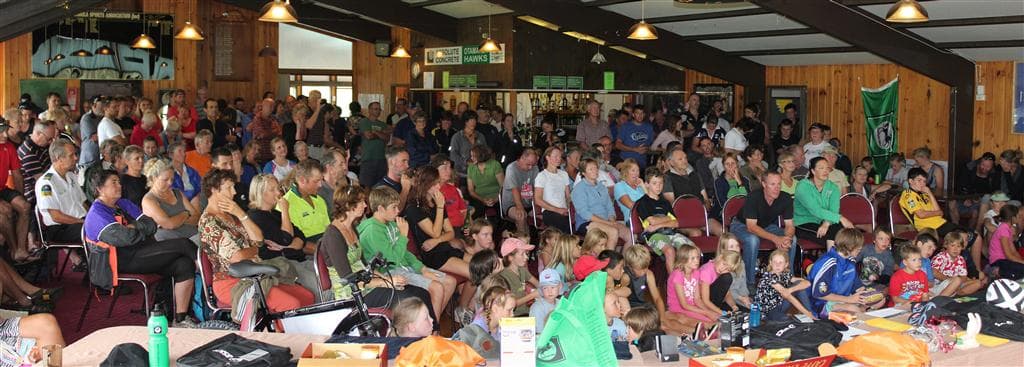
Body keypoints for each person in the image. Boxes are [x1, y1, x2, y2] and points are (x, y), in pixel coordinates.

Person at [84, 169, 197, 326]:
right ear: (99, 189)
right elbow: (127, 238)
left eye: (119, 182)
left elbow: (151, 224)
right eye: (114, 183)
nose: (119, 185)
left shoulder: (122, 203)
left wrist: (133, 228)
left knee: (184, 264)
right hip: (118, 262)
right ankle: (209, 284)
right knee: (184, 244)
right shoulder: (98, 214)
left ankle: (180, 319)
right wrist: (136, 229)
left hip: (139, 251)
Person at [200, 169, 315, 314]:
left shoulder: (233, 215)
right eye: (229, 187)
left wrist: (241, 214)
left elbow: (259, 239)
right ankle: (278, 336)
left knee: (307, 297)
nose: (234, 192)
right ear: (214, 191)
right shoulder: (209, 222)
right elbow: (237, 257)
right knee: (291, 303)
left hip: (257, 274)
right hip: (231, 281)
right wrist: (255, 249)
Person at [323, 184, 436, 323]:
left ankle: (432, 334)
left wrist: (383, 278)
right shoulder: (333, 235)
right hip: (353, 295)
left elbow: (364, 265)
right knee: (410, 302)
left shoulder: (351, 227)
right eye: (361, 202)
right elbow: (349, 280)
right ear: (348, 206)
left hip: (366, 286)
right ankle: (415, 339)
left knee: (421, 293)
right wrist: (385, 282)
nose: (365, 205)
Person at [359, 186, 455, 320]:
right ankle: (432, 329)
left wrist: (422, 268)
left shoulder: (391, 224)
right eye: (394, 207)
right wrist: (403, 235)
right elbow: (392, 260)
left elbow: (406, 253)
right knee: (437, 287)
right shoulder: (372, 230)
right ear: (380, 209)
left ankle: (430, 323)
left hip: (405, 267)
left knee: (450, 282)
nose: (398, 211)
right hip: (390, 272)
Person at [899, 167, 986, 275]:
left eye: (924, 181)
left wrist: (930, 193)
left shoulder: (925, 194)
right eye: (919, 180)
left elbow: (940, 211)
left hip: (941, 223)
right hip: (930, 228)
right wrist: (937, 213)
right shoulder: (908, 195)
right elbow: (921, 215)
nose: (923, 184)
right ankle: (966, 272)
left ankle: (977, 270)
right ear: (911, 181)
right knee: (964, 238)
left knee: (976, 236)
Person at [730, 171, 797, 284]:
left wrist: (786, 238)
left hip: (766, 226)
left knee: (793, 240)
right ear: (764, 184)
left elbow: (790, 225)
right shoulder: (753, 196)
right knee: (752, 240)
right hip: (741, 225)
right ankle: (749, 282)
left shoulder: (785, 198)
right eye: (772, 184)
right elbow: (751, 227)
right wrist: (775, 239)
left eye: (779, 184)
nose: (777, 188)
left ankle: (786, 277)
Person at [405, 166, 470, 277]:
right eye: (434, 184)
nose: (438, 187)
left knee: (481, 265)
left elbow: (451, 233)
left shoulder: (437, 203)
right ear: (425, 185)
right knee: (474, 272)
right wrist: (440, 207)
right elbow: (434, 232)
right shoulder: (414, 208)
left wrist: (437, 240)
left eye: (438, 183)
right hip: (432, 255)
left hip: (444, 247)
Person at [35, 139, 88, 271]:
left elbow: (83, 203)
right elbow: (56, 216)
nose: (76, 158)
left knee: (106, 225)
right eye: (71, 155)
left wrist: (92, 218)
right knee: (96, 231)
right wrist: (82, 222)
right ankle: (96, 279)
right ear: (59, 159)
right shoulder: (46, 183)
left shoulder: (71, 176)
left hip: (77, 222)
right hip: (60, 228)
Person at [806, 229, 883, 318]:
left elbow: (857, 286)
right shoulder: (828, 263)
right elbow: (820, 295)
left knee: (880, 300)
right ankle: (861, 313)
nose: (861, 248)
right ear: (849, 246)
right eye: (858, 246)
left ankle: (861, 312)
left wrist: (868, 294)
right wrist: (849, 299)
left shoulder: (851, 260)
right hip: (821, 304)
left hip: (845, 299)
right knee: (853, 309)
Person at [635, 168, 695, 272]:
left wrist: (657, 225)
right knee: (670, 250)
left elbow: (676, 223)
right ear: (647, 184)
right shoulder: (642, 203)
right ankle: (673, 283)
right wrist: (667, 219)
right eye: (654, 183)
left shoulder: (665, 202)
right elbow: (652, 221)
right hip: (654, 236)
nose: (658, 186)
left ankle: (688, 280)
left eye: (661, 183)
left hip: (670, 233)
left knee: (692, 250)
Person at [794, 157, 854, 249]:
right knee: (838, 237)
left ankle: (834, 259)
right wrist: (841, 218)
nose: (825, 171)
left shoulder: (833, 187)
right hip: (804, 223)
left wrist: (826, 223)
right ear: (813, 171)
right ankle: (832, 260)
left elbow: (834, 210)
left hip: (824, 221)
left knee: (844, 232)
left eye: (827, 168)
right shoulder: (802, 186)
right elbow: (815, 210)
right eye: (821, 168)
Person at [572, 158, 628, 251]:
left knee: (630, 235)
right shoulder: (579, 189)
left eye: (596, 168)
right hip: (587, 223)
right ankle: (608, 264)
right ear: (583, 173)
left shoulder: (602, 187)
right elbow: (585, 214)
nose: (595, 171)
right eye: (591, 169)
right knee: (613, 232)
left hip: (607, 221)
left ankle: (622, 263)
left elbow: (609, 206)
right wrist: (608, 223)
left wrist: (612, 219)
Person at [141, 159, 200, 244]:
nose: (170, 183)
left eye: (172, 179)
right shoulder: (148, 200)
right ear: (153, 178)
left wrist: (177, 221)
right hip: (174, 244)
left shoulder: (177, 192)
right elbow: (169, 224)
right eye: (165, 179)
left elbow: (197, 217)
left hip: (194, 235)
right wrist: (186, 213)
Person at [663, 244, 717, 336]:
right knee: (708, 322)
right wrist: (706, 313)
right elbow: (684, 305)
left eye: (697, 257)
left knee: (714, 318)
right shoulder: (677, 275)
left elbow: (697, 299)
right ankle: (702, 333)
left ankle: (704, 332)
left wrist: (709, 312)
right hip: (678, 307)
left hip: (692, 306)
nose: (697, 261)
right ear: (683, 260)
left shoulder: (696, 272)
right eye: (692, 258)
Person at [0, 120, 33, 263]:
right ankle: (14, 251)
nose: (5, 135)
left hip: (3, 189)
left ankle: (21, 249)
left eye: (6, 130)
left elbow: (17, 174)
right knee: (6, 210)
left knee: (25, 206)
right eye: (1, 131)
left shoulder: (8, 147)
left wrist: (20, 195)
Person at [281, 160, 331, 254]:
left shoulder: (319, 200)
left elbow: (328, 229)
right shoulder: (286, 203)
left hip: (326, 246)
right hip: (308, 254)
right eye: (316, 181)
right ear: (302, 180)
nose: (320, 185)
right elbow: (295, 242)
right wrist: (326, 252)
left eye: (321, 180)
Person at [756, 249, 815, 321]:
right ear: (770, 263)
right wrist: (806, 313)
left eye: (780, 262)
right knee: (786, 320)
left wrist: (790, 290)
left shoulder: (784, 275)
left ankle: (811, 314)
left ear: (786, 264)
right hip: (768, 310)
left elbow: (807, 283)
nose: (777, 265)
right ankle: (809, 314)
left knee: (798, 285)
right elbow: (788, 296)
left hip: (779, 305)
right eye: (775, 262)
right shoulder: (768, 276)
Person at [501, 149, 539, 234]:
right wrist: (520, 207)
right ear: (521, 159)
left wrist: (536, 205)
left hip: (529, 202)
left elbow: (536, 188)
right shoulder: (511, 169)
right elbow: (515, 190)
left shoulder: (535, 168)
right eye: (528, 164)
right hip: (512, 203)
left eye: (533, 164)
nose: (530, 167)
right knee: (521, 216)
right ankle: (522, 241)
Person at [535, 146, 572, 233]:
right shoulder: (542, 176)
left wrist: (569, 208)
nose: (558, 159)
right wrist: (557, 210)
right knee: (563, 224)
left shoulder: (564, 174)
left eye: (560, 156)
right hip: (549, 211)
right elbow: (538, 200)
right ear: (548, 157)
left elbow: (568, 196)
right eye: (555, 156)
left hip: (563, 210)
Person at [498, 237, 538, 316]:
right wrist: (532, 295)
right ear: (510, 257)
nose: (526, 257)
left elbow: (538, 284)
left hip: (527, 311)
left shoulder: (522, 270)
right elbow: (511, 304)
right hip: (515, 316)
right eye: (522, 254)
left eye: (526, 254)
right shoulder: (503, 277)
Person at [18, 121, 55, 205]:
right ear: (38, 134)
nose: (51, 142)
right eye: (49, 139)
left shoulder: (39, 145)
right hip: (34, 192)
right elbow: (42, 180)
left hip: (46, 182)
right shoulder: (29, 153)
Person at [623, 245, 666, 316]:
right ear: (630, 267)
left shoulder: (648, 274)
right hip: (629, 309)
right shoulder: (625, 277)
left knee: (663, 319)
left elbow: (657, 298)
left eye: (646, 267)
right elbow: (620, 300)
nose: (644, 272)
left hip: (642, 306)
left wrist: (663, 317)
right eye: (640, 269)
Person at [358, 102, 392, 187]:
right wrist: (381, 134)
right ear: (370, 110)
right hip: (368, 158)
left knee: (380, 185)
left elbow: (387, 139)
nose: (378, 111)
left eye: (379, 109)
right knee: (366, 186)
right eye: (375, 109)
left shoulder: (382, 124)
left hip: (381, 158)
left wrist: (375, 132)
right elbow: (368, 136)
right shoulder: (364, 122)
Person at [431, 155, 468, 231]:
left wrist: (464, 227)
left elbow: (463, 210)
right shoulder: (430, 190)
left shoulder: (453, 189)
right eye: (445, 168)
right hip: (444, 230)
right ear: (435, 170)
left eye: (450, 167)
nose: (449, 171)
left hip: (460, 228)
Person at [466, 145, 503, 219]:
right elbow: (471, 190)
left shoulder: (495, 165)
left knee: (499, 211)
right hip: (479, 197)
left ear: (481, 156)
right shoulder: (471, 168)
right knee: (476, 209)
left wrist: (496, 199)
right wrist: (483, 200)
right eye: (471, 156)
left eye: (474, 156)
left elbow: (503, 186)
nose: (471, 158)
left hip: (496, 196)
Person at [989, 205, 1024, 280]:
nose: (1020, 218)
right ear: (1013, 218)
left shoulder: (1008, 229)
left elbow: (1013, 251)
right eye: (1018, 216)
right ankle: (996, 271)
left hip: (1005, 260)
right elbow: (1009, 255)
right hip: (998, 261)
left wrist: (1021, 260)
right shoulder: (1003, 230)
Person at [713, 153, 749, 217]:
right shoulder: (718, 182)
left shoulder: (745, 180)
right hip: (723, 214)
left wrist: (739, 182)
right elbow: (723, 204)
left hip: (743, 214)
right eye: (727, 164)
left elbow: (748, 200)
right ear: (723, 166)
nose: (730, 166)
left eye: (733, 163)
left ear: (737, 164)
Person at [248, 99, 281, 164]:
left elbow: (280, 132)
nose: (272, 109)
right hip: (262, 155)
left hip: (272, 153)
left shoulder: (273, 118)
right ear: (263, 106)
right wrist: (274, 132)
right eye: (270, 106)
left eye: (273, 107)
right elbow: (262, 134)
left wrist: (271, 132)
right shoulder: (257, 119)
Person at [614, 159, 646, 224]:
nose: (636, 173)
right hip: (633, 220)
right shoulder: (619, 186)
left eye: (638, 170)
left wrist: (644, 187)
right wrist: (649, 206)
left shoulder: (640, 186)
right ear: (626, 172)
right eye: (633, 170)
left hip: (648, 217)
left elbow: (653, 201)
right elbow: (631, 206)